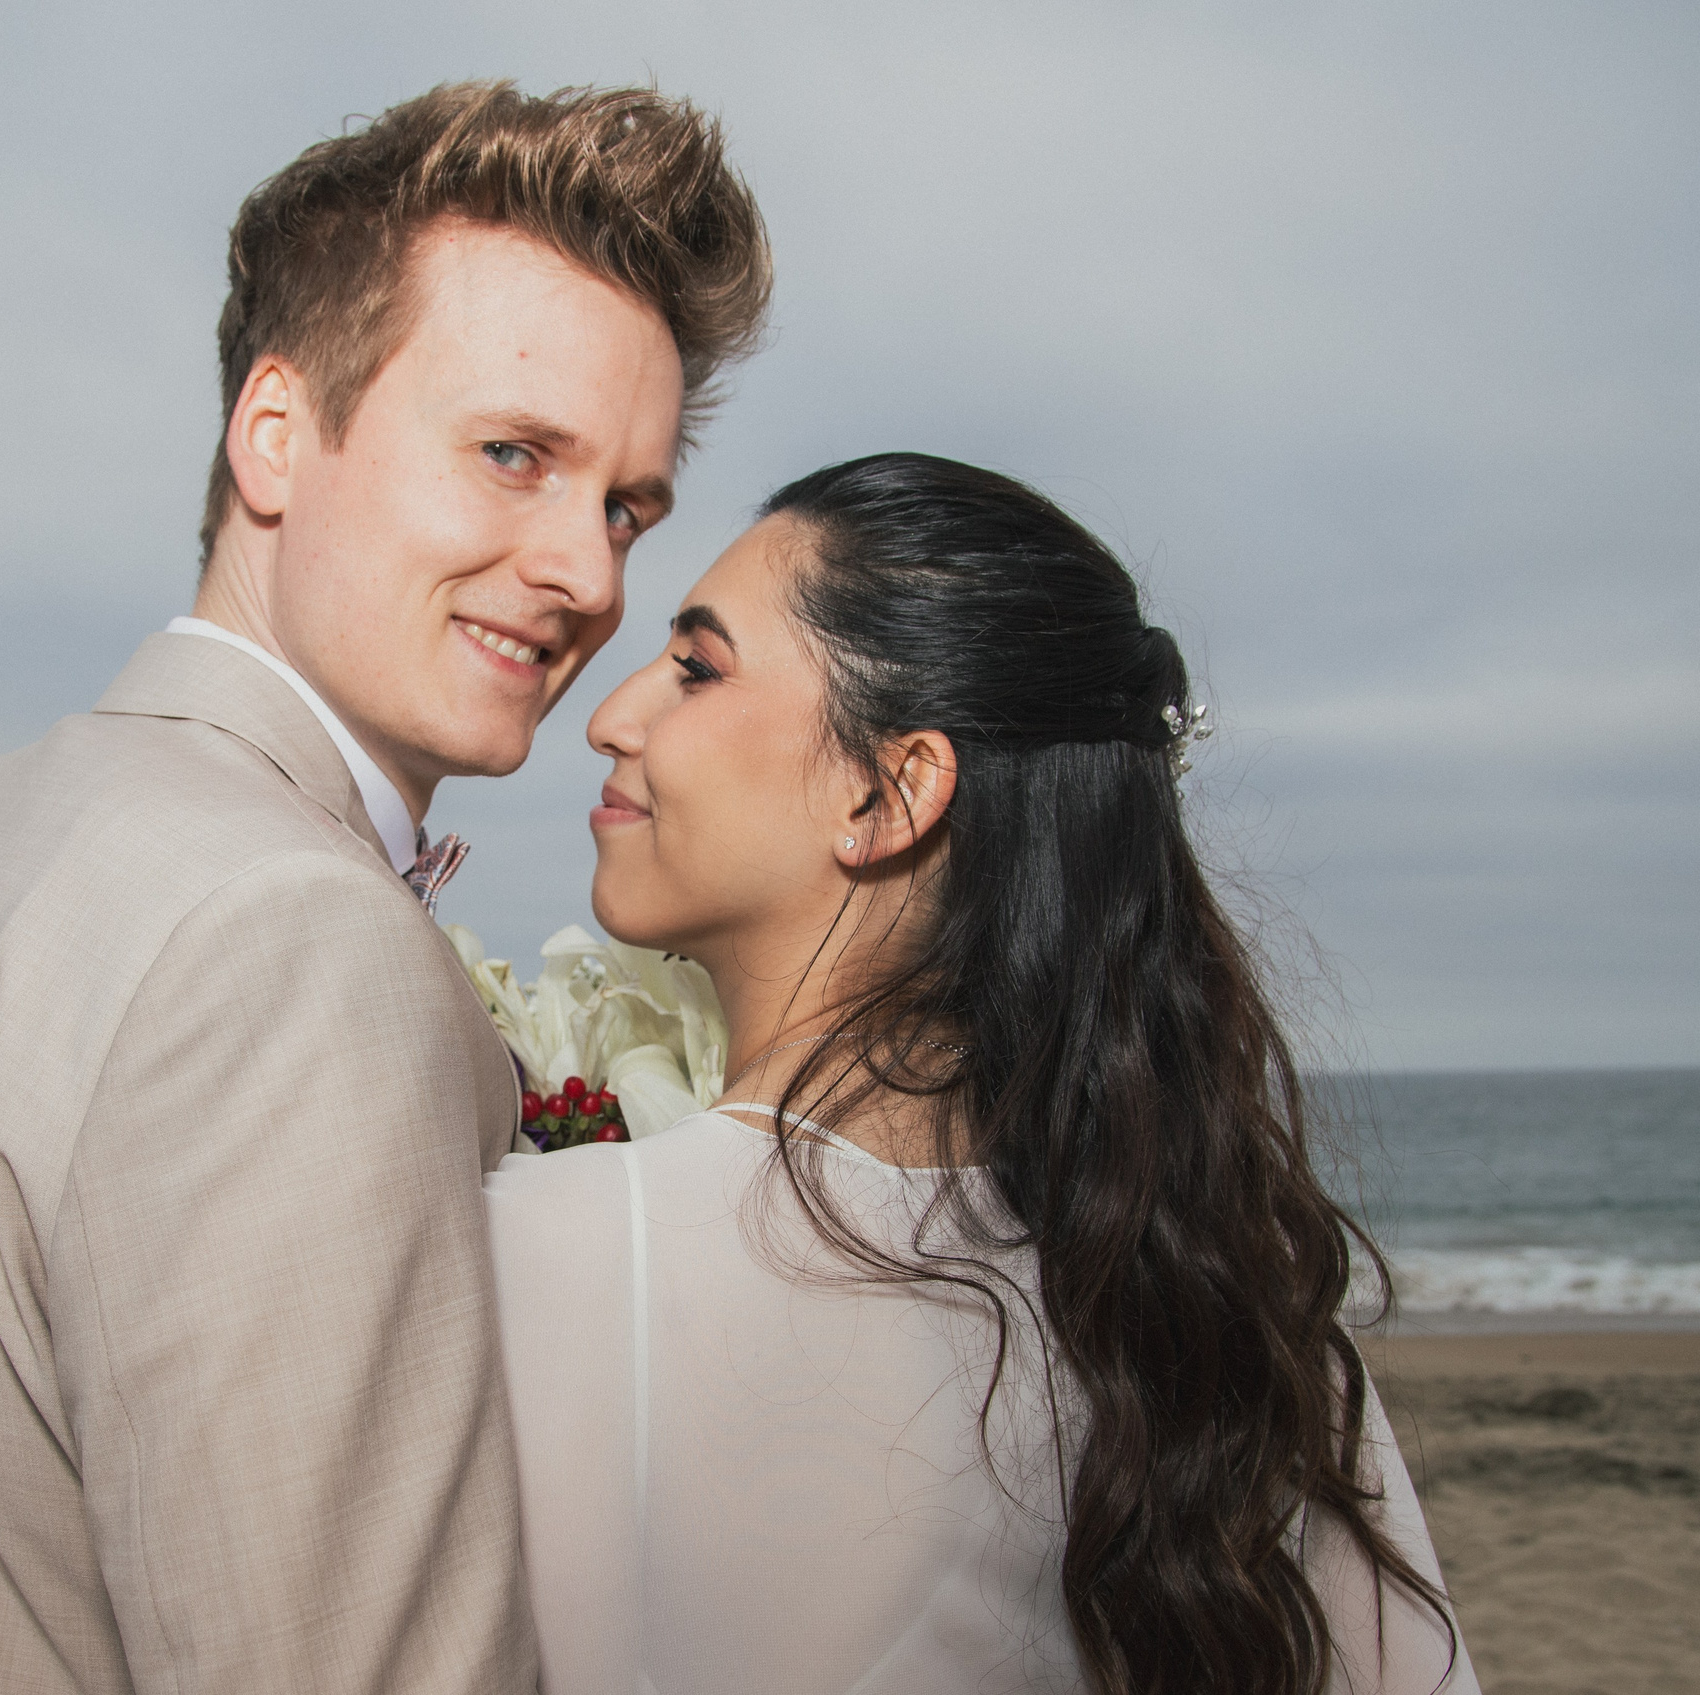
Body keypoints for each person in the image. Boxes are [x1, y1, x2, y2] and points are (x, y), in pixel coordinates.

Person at [0, 82, 771, 1693]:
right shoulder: (292, 935)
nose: (593, 574)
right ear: (277, 433)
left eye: (625, 504)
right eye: (514, 454)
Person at [487, 453, 1479, 1695]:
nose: (611, 715)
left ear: (888, 790)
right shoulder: (1209, 1309)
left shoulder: (539, 1255)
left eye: (696, 668)